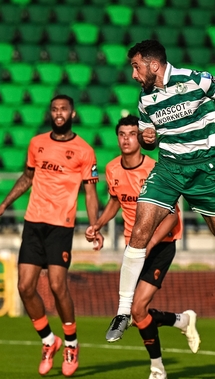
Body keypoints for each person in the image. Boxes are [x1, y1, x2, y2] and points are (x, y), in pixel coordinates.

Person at [105, 39, 215, 343]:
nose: (134, 74)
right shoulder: (144, 99)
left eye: (136, 66)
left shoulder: (196, 80)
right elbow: (149, 139)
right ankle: (122, 311)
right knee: (139, 229)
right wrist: (147, 138)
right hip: (168, 169)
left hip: (203, 170)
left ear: (154, 64)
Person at [0, 95, 99, 378]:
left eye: (64, 109)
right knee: (25, 287)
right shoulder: (37, 143)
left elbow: (90, 191)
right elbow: (27, 177)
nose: (59, 113)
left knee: (56, 285)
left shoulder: (84, 151)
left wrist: (95, 225)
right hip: (33, 223)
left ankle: (72, 344)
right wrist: (4, 204)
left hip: (60, 226)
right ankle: (49, 342)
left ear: (72, 114)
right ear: (50, 113)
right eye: (54, 109)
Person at [85, 115, 199, 379]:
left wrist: (149, 244)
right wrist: (99, 223)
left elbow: (171, 216)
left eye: (132, 134)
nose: (126, 139)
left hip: (161, 244)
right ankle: (182, 321)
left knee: (136, 310)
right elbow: (115, 199)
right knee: (138, 313)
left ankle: (157, 367)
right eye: (122, 134)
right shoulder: (112, 168)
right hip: (133, 248)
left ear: (141, 137)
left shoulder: (155, 170)